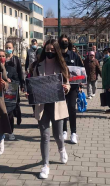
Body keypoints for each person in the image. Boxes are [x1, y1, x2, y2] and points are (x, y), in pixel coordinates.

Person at [31, 39, 70, 179]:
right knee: (44, 136)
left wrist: (66, 88)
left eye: (53, 50)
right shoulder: (37, 66)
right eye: (47, 49)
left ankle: (62, 149)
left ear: (57, 51)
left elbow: (67, 84)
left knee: (58, 135)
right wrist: (30, 91)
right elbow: (33, 84)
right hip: (42, 105)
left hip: (57, 105)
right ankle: (45, 165)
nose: (49, 52)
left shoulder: (62, 66)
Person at [59, 34, 84, 144]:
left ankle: (73, 132)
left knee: (71, 108)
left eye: (66, 41)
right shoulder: (57, 56)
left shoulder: (74, 56)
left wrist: (80, 85)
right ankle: (64, 130)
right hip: (60, 87)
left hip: (73, 87)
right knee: (62, 108)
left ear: (68, 42)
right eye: (62, 41)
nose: (64, 42)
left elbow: (81, 71)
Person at [0, 49, 19, 141]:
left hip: (9, 95)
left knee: (9, 114)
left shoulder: (11, 68)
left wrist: (11, 81)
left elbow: (17, 80)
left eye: (3, 56)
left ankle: (11, 132)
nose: (1, 58)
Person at [5, 41, 24, 126]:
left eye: (10, 47)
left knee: (16, 102)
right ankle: (10, 122)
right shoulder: (3, 59)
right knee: (9, 104)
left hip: (14, 85)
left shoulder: (16, 59)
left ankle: (18, 115)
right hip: (5, 86)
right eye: (7, 47)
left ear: (13, 49)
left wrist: (22, 84)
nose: (8, 49)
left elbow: (20, 72)